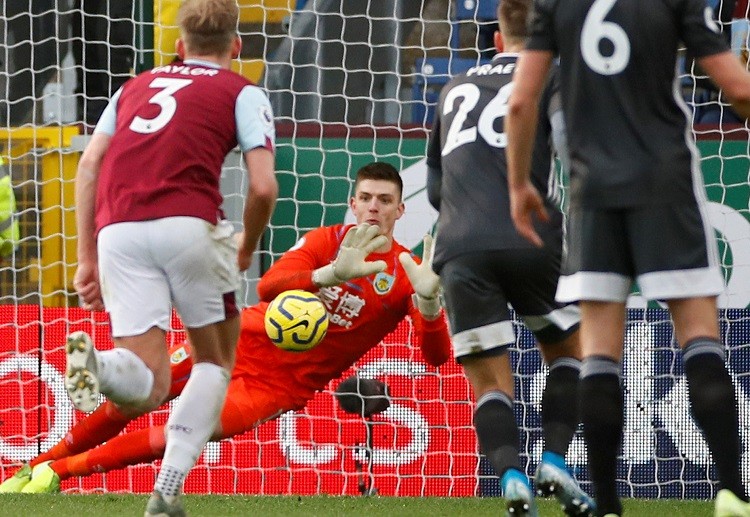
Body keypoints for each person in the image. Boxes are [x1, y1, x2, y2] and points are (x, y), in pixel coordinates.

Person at [0, 162, 451, 501]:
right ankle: (34, 466)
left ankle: (58, 474)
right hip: (236, 340)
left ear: (400, 209)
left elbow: (436, 358)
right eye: (366, 197)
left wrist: (429, 306)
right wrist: (327, 275)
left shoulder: (407, 271)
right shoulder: (324, 242)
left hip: (278, 386)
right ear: (352, 202)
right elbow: (271, 285)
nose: (374, 207)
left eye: (385, 200)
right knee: (142, 395)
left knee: (184, 433)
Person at [505, 0, 750, 516]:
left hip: (591, 194)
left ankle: (610, 506)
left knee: (599, 354)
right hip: (668, 185)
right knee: (700, 338)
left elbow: (521, 103)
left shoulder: (553, 5)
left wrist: (518, 184)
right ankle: (731, 492)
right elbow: (740, 88)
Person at [70, 0, 279, 515]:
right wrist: (247, 244)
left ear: (180, 46)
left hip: (117, 229)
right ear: (237, 46)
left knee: (148, 382)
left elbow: (89, 165)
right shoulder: (242, 90)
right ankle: (167, 489)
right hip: (187, 223)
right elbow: (263, 185)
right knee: (215, 360)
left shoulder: (133, 86)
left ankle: (96, 362)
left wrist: (86, 257)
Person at [426, 1, 592, 516]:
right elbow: (572, 149)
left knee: (490, 384)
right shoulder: (554, 74)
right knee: (572, 354)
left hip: (460, 248)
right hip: (533, 236)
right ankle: (555, 460)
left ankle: (511, 477)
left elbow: (435, 189)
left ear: (496, 39)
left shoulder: (452, 88)